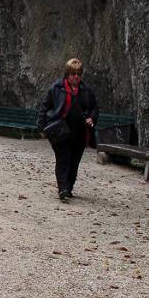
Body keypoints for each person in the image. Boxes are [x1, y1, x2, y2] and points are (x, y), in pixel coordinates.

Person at [38, 58, 99, 201]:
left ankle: (69, 187)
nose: (76, 77)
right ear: (67, 74)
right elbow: (44, 107)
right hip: (60, 130)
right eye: (73, 74)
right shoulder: (56, 88)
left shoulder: (87, 90)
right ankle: (63, 189)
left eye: (78, 74)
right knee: (63, 159)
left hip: (80, 132)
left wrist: (92, 118)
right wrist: (41, 127)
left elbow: (94, 107)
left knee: (74, 162)